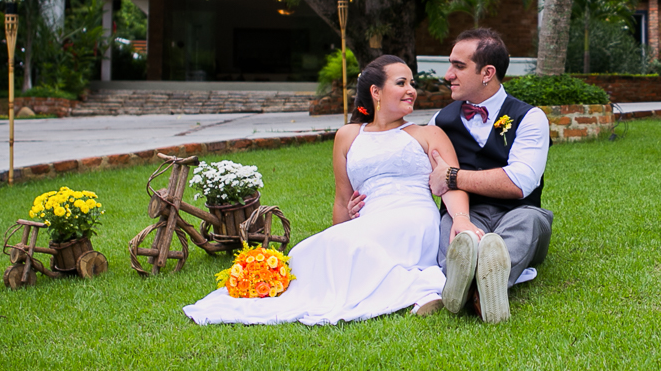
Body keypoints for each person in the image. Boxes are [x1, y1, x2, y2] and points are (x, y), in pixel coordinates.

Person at [183, 55, 482, 326]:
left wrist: (460, 218)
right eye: (401, 83)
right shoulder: (349, 136)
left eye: (412, 83)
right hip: (369, 219)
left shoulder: (428, 134)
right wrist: (341, 231)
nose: (411, 90)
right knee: (309, 251)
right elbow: (342, 198)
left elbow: (450, 184)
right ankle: (413, 285)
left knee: (353, 246)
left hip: (412, 217)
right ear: (375, 92)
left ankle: (422, 286)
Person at [426, 28, 553, 324]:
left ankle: (470, 283)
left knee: (531, 222)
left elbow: (519, 182)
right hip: (466, 213)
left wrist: (453, 176)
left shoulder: (530, 117)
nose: (448, 75)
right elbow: (426, 175)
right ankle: (484, 290)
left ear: (487, 72)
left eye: (459, 66)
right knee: (454, 231)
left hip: (518, 211)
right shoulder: (439, 121)